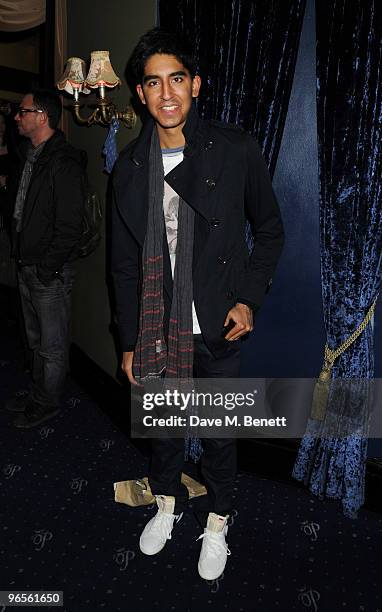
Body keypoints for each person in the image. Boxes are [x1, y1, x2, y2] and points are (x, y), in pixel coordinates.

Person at [111, 28, 284, 580]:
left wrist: (249, 300)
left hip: (215, 327)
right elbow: (122, 265)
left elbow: (271, 230)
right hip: (155, 328)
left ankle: (217, 519)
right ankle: (165, 504)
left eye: (177, 79)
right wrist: (129, 342)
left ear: (196, 85)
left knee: (216, 436)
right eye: (154, 82)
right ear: (140, 93)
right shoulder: (130, 169)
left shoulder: (235, 149)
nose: (167, 94)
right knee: (163, 432)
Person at [5, 89, 85, 428]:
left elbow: (70, 226)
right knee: (35, 339)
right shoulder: (28, 155)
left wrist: (48, 267)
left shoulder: (64, 162)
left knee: (51, 345)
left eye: (23, 112)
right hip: (27, 263)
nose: (16, 117)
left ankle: (48, 401)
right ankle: (40, 392)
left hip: (48, 270)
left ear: (42, 116)